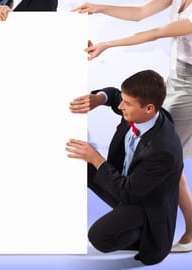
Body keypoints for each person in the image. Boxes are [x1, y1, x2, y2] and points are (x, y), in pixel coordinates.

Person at [72, 0, 192, 252]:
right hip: (176, 78)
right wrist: (100, 7)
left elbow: (156, 32)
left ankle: (156, 220)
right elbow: (142, 13)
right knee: (171, 159)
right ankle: (191, 224)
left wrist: (107, 45)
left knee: (164, 152)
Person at [66, 70, 183, 265]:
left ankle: (139, 235)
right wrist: (99, 98)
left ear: (148, 109)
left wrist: (97, 159)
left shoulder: (163, 150)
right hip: (128, 184)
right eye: (123, 100)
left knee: (98, 237)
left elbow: (127, 193)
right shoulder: (144, 111)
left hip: (144, 204)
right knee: (80, 166)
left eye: (126, 104)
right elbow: (113, 95)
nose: (120, 106)